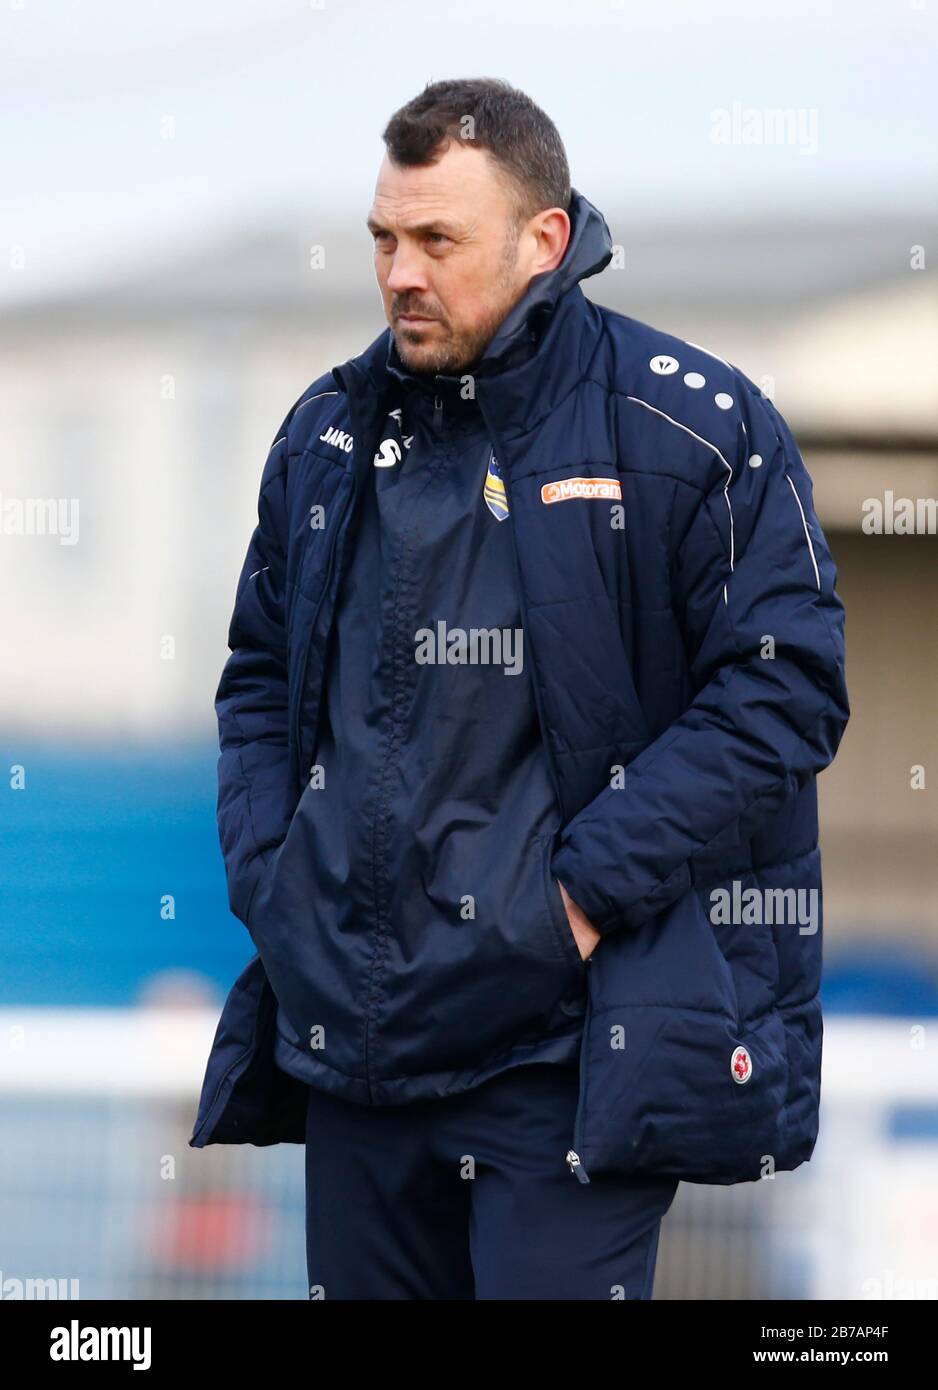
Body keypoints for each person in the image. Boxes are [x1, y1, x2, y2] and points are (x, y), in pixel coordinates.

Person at [189, 77, 850, 1301]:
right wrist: (274, 880)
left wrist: (578, 900)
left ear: (542, 241)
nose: (398, 273)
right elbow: (261, 677)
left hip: (566, 1053)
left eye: (437, 240)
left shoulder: (693, 427)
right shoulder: (325, 435)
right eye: (384, 237)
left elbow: (783, 693)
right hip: (357, 1045)